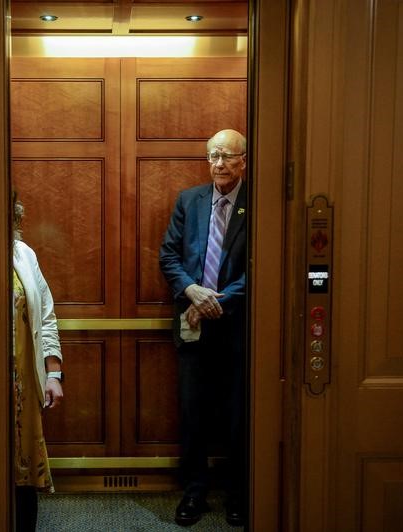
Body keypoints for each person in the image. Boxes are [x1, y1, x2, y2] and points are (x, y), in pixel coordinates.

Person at [159, 129, 248, 527]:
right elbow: (169, 255)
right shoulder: (189, 200)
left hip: (236, 330)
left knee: (237, 416)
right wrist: (193, 291)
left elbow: (258, 269)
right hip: (192, 324)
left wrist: (218, 301)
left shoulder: (255, 203)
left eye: (227, 156)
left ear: (244, 160)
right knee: (193, 414)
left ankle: (238, 494)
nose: (218, 164)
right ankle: (194, 493)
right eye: (213, 156)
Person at [12, 194, 64, 531]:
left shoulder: (23, 254)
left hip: (23, 382)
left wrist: (53, 372)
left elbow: (46, 317)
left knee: (24, 464)